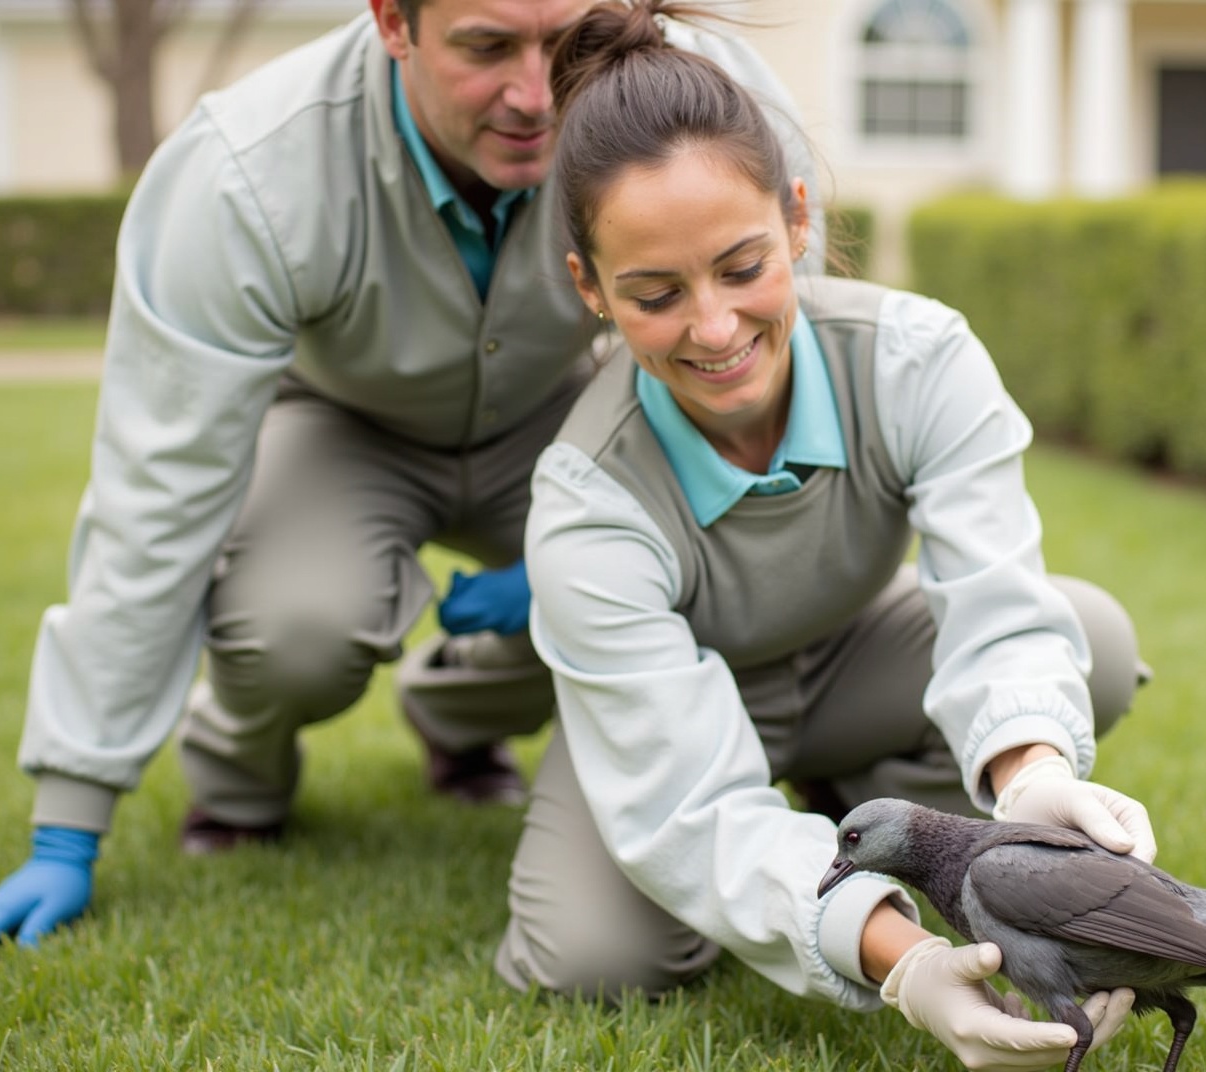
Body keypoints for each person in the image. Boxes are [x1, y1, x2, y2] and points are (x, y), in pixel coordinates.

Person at [0, 0, 821, 966]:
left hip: (570, 421)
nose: (535, 93)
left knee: (639, 580)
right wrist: (67, 825)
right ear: (393, 21)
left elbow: (777, 356)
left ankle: (459, 714)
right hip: (345, 424)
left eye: (564, 42)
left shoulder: (704, 104)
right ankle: (238, 776)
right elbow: (155, 496)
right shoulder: (248, 170)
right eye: (487, 46)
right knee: (298, 622)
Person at [495, 4, 1157, 1068]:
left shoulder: (917, 359)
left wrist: (1032, 782)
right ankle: (482, 717)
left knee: (1096, 642)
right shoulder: (586, 498)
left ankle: (860, 811)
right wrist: (903, 961)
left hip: (852, 663)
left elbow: (996, 604)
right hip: (686, 707)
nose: (714, 328)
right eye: (656, 294)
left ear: (797, 219)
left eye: (743, 265)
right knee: (593, 954)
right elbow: (691, 806)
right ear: (592, 290)